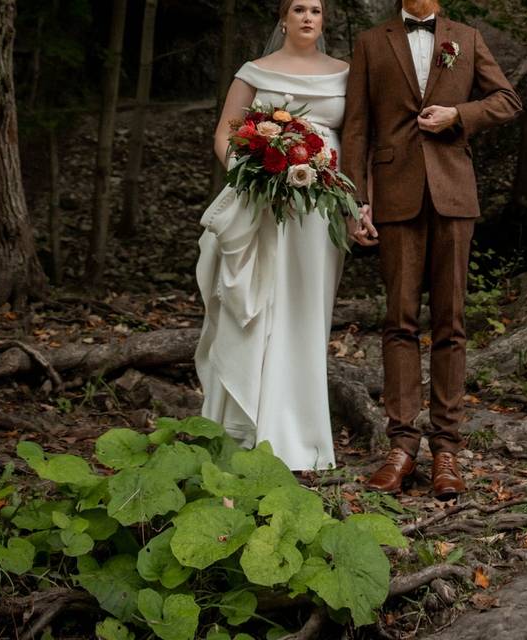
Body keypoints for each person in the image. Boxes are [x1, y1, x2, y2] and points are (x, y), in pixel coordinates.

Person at [342, 0, 522, 498]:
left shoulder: (465, 36)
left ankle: (447, 450)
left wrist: (457, 115)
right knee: (399, 321)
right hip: (394, 194)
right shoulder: (371, 42)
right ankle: (401, 447)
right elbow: (355, 127)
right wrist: (357, 200)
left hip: (453, 195)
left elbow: (507, 100)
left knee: (451, 322)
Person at [194, 0, 349, 471]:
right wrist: (250, 172)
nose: (307, 16)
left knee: (306, 308)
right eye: (299, 8)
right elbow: (225, 133)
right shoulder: (254, 71)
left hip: (319, 208)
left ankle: (302, 434)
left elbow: (358, 134)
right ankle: (246, 427)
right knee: (259, 304)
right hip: (263, 202)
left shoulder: (345, 73)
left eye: (316, 10)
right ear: (283, 18)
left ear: (323, 20)